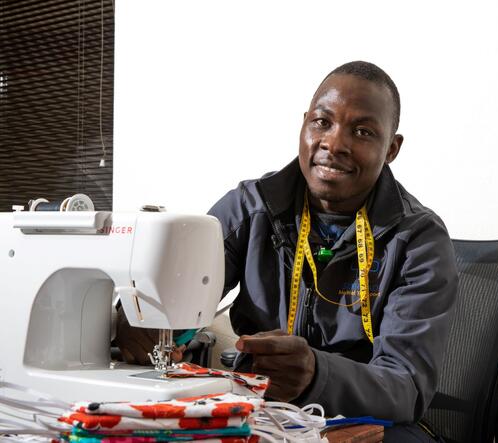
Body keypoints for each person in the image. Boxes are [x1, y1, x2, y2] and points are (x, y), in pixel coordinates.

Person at [117, 61, 458, 442]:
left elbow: (405, 388)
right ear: (304, 125)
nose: (334, 144)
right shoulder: (249, 209)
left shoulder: (419, 241)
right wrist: (137, 320)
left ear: (391, 149)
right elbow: (175, 297)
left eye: (362, 131)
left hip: (370, 422)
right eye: (322, 122)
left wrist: (316, 374)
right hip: (265, 410)